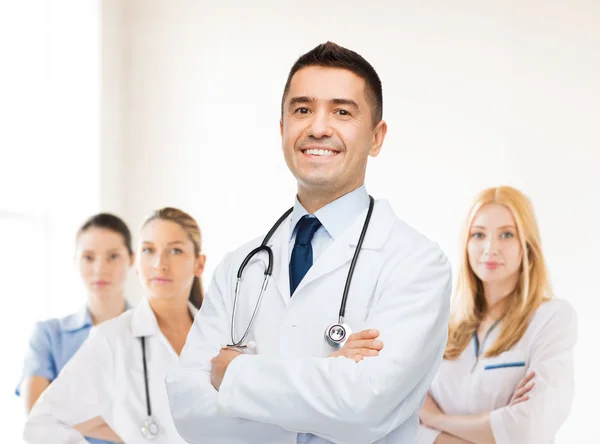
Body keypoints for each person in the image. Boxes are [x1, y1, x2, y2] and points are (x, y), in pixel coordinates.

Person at [165, 41, 452, 444]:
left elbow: (365, 405)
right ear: (283, 129)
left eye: (342, 111)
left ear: (376, 137)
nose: (318, 127)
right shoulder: (240, 266)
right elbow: (188, 408)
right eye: (302, 110)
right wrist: (326, 377)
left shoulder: (416, 262)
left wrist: (232, 374)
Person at [24, 208, 206, 444]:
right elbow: (41, 422)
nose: (160, 264)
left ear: (199, 263)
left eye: (175, 250)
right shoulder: (110, 339)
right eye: (148, 250)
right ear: (138, 263)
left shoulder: (222, 336)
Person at [417, 186, 578, 444]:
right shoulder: (439, 322)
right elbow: (402, 423)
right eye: (479, 234)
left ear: (527, 245)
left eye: (506, 234)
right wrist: (499, 426)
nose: (490, 248)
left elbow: (531, 427)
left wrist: (437, 420)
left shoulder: (551, 319)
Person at [17, 213, 133, 443]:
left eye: (113, 256)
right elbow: (38, 421)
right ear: (75, 260)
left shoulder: (152, 333)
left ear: (132, 259)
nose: (100, 268)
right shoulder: (48, 336)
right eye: (89, 257)